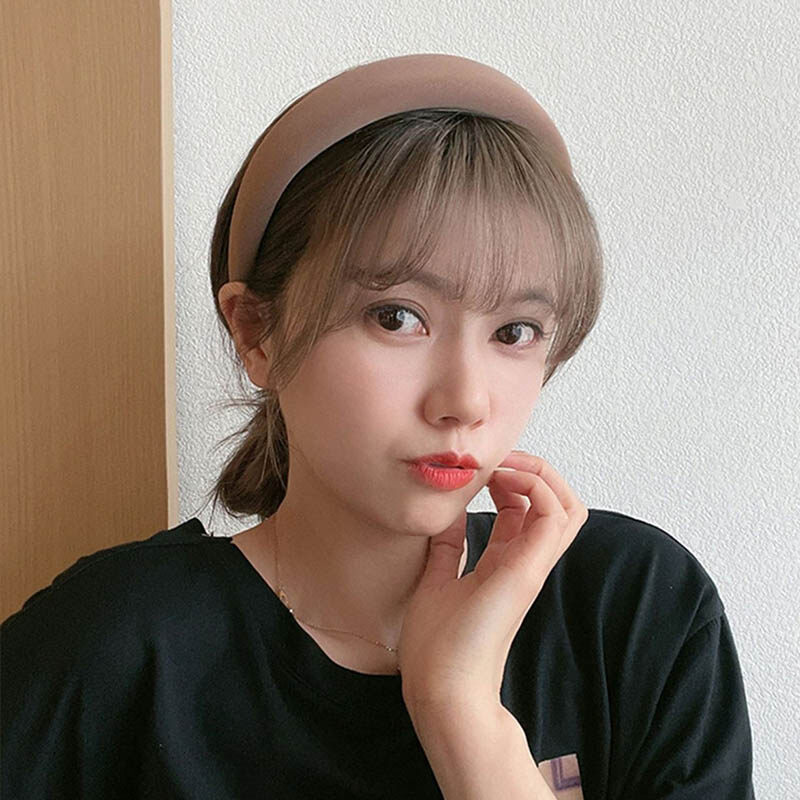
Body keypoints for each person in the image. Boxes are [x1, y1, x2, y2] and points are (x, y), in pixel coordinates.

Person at [1, 54, 754, 799]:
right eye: (397, 317)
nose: (465, 400)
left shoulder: (630, 608)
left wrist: (459, 709)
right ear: (257, 332)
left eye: (516, 331)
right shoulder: (112, 646)